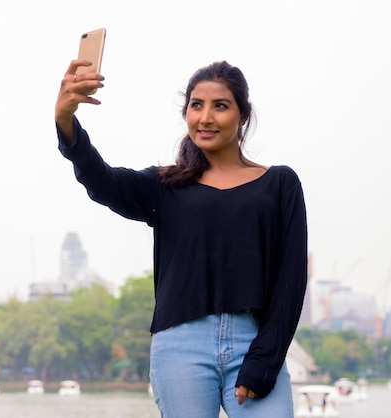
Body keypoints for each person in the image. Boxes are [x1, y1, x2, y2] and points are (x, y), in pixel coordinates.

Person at [54, 59, 307, 418]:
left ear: (243, 115)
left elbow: (291, 279)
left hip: (253, 344)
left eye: (220, 106)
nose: (205, 117)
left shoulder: (280, 184)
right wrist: (66, 119)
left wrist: (264, 359)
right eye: (196, 105)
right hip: (179, 349)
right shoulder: (165, 186)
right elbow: (102, 181)